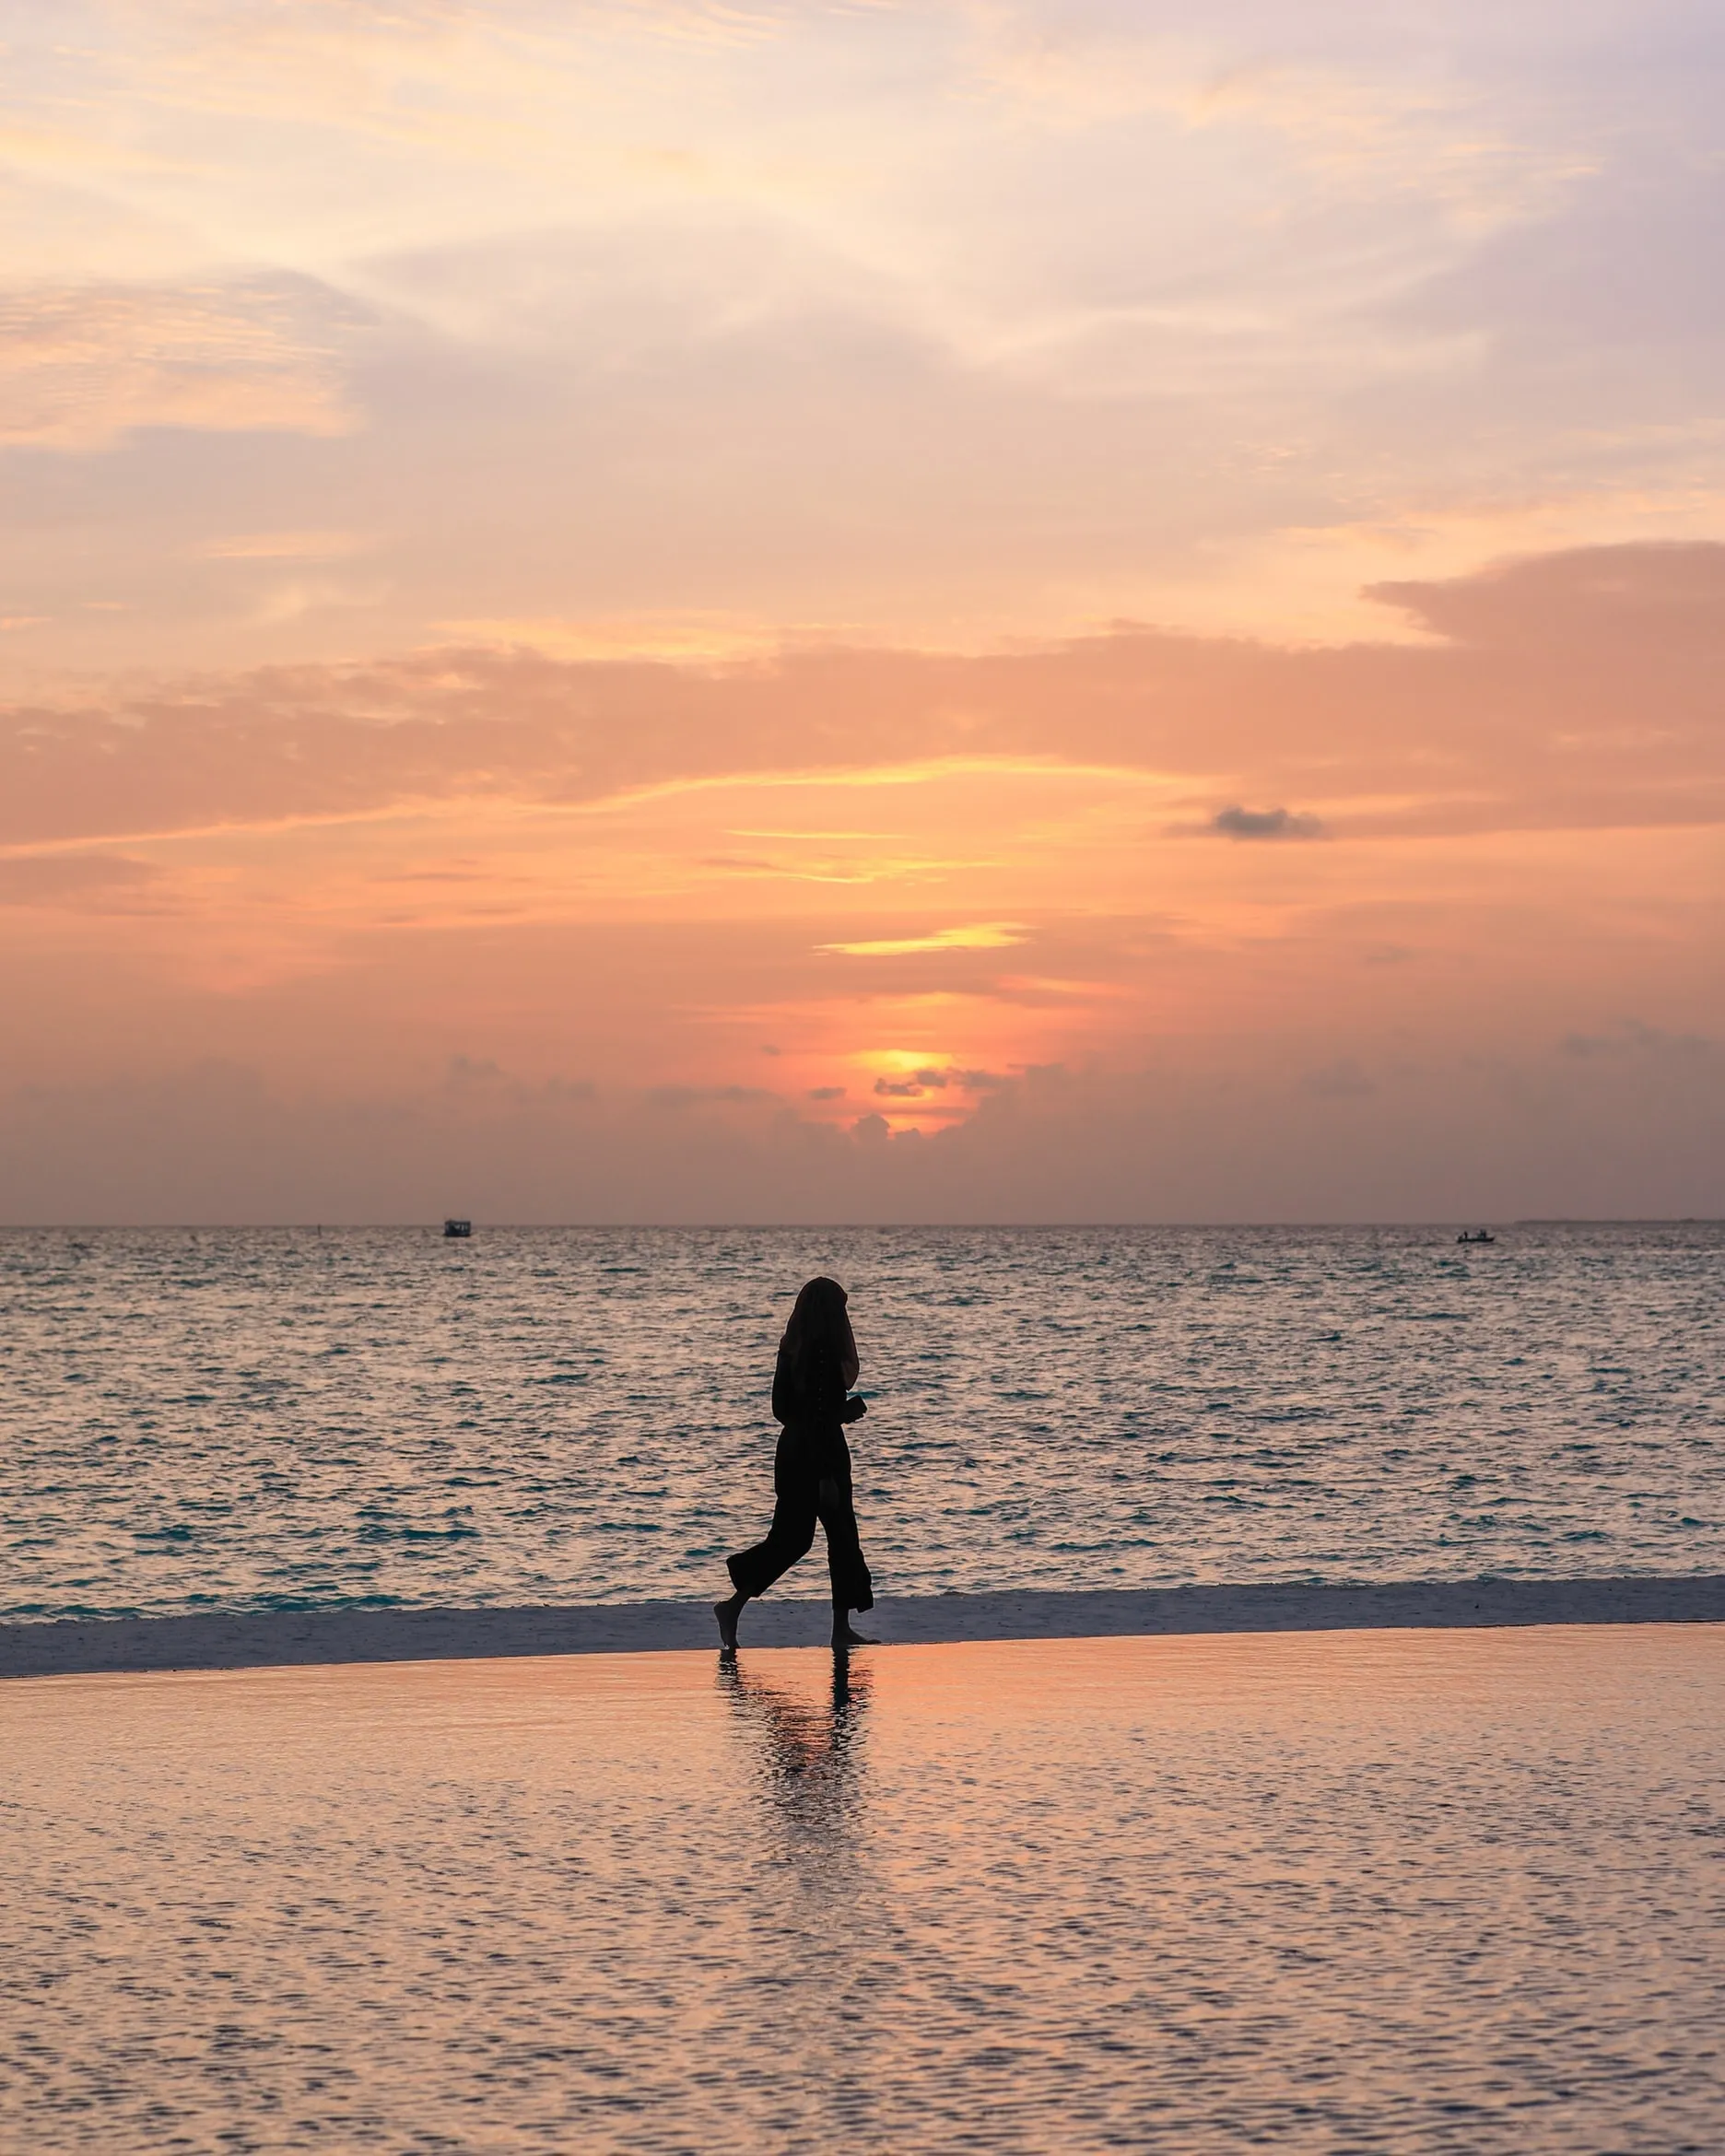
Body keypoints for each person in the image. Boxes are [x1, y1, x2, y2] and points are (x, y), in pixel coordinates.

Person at [715, 1275, 874, 1653]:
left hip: (792, 1453)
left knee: (792, 1540)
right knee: (840, 1539)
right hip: (821, 1454)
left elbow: (781, 1410)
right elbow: (819, 1415)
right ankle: (838, 1629)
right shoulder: (821, 1353)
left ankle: (734, 1606)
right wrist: (842, 1420)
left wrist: (834, 1416)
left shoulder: (791, 1350)